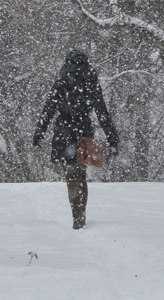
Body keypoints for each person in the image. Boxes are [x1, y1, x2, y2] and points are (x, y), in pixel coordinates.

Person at [33, 49, 120, 229]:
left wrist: (39, 132)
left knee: (72, 176)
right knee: (80, 175)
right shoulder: (91, 82)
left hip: (64, 133)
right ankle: (80, 215)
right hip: (83, 133)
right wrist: (112, 138)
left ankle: (77, 217)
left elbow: (48, 109)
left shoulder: (62, 81)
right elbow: (102, 112)